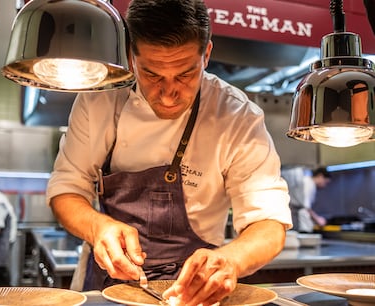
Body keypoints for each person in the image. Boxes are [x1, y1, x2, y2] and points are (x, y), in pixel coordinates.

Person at [47, 0, 292, 304]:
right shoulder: (100, 100)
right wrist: (98, 227)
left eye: (185, 75)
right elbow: (66, 189)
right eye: (152, 75)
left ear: (207, 55)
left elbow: (268, 223)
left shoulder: (236, 115)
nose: (168, 94)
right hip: (106, 285)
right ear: (130, 57)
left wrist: (231, 260)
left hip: (195, 293)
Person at [281, 166, 331, 233]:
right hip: (300, 222)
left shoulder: (308, 182)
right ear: (320, 176)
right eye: (325, 182)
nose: (325, 186)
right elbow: (306, 207)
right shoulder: (309, 183)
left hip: (298, 220)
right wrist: (318, 219)